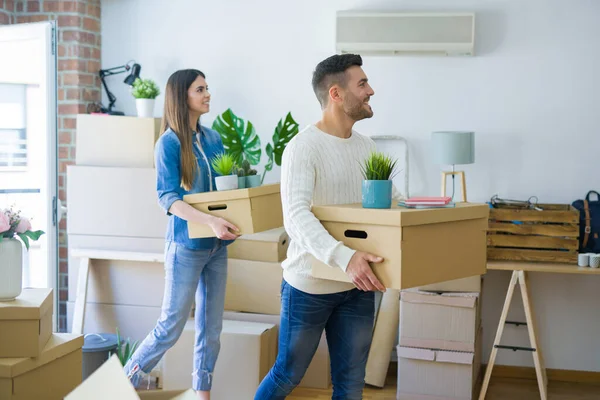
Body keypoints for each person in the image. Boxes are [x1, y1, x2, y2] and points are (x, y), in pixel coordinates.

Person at [255, 54, 393, 400]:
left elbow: (386, 208)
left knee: (350, 385)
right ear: (336, 93)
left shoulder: (367, 147)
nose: (370, 90)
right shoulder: (303, 147)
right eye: (362, 84)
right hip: (309, 287)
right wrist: (345, 258)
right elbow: (296, 217)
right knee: (287, 375)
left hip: (357, 285)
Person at [123, 69, 240, 400]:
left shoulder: (213, 139)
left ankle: (203, 395)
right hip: (186, 248)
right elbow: (168, 198)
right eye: (200, 89)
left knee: (211, 330)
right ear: (182, 96)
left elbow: (222, 192)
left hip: (217, 248)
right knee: (170, 328)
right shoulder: (169, 143)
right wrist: (210, 222)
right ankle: (124, 381)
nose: (207, 94)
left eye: (207, 88)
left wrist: (230, 221)